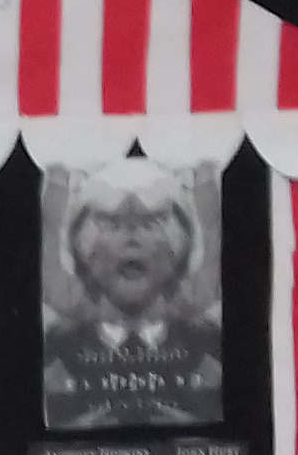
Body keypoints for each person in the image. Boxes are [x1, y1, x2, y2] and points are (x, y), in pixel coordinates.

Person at [43, 158, 225, 427]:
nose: (131, 238)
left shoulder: (207, 341)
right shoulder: (58, 344)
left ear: (179, 252)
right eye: (111, 225)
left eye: (151, 224)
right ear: (83, 254)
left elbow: (212, 235)